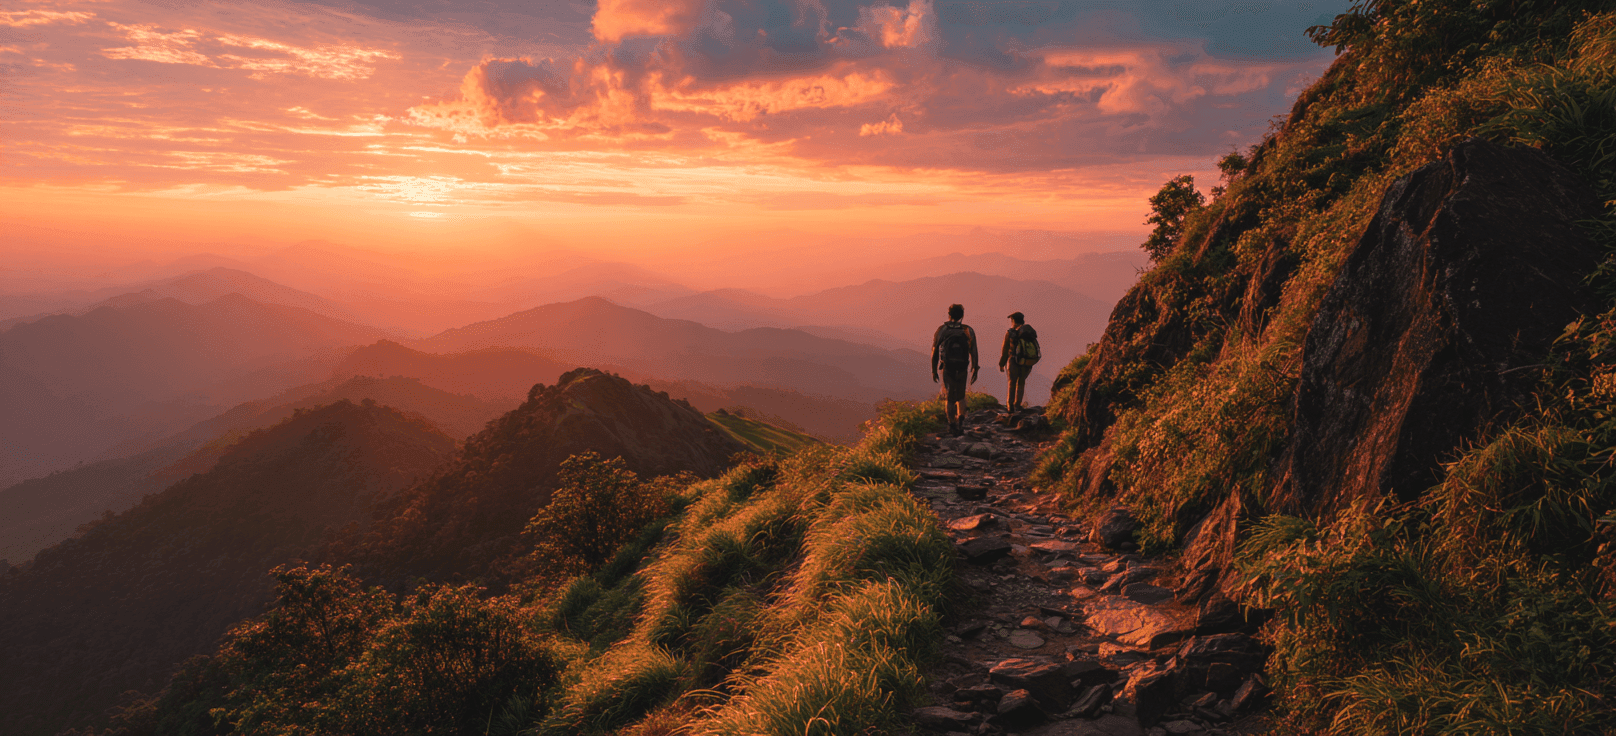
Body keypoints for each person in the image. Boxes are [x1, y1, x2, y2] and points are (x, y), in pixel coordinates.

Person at [932, 303, 978, 436]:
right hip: (962, 366)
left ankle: (952, 424)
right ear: (962, 315)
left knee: (950, 396)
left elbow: (935, 351)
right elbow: (974, 350)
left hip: (948, 367)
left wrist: (933, 370)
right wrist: (975, 367)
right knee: (961, 395)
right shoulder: (967, 330)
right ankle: (961, 421)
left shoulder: (943, 330)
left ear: (949, 314)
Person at [999, 311, 1040, 413]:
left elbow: (1005, 350)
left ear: (1013, 321)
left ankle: (1010, 406)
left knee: (1012, 382)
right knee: (1021, 382)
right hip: (1027, 361)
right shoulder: (1029, 333)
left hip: (1013, 361)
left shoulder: (1010, 333)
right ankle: (1018, 404)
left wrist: (1001, 364)